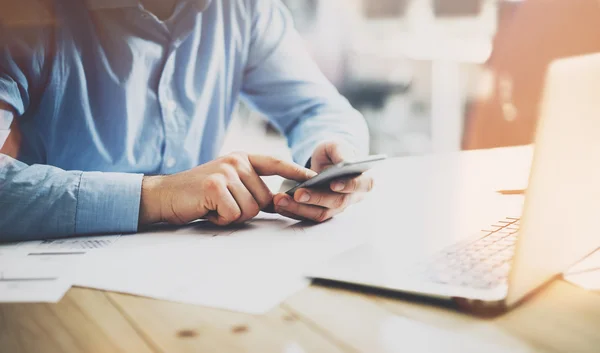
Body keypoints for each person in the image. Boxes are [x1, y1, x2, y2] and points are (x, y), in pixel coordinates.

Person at [0, 0, 372, 242]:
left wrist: (331, 160)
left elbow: (319, 110)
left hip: (193, 270)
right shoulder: (22, 15)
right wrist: (158, 196)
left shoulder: (244, 9)